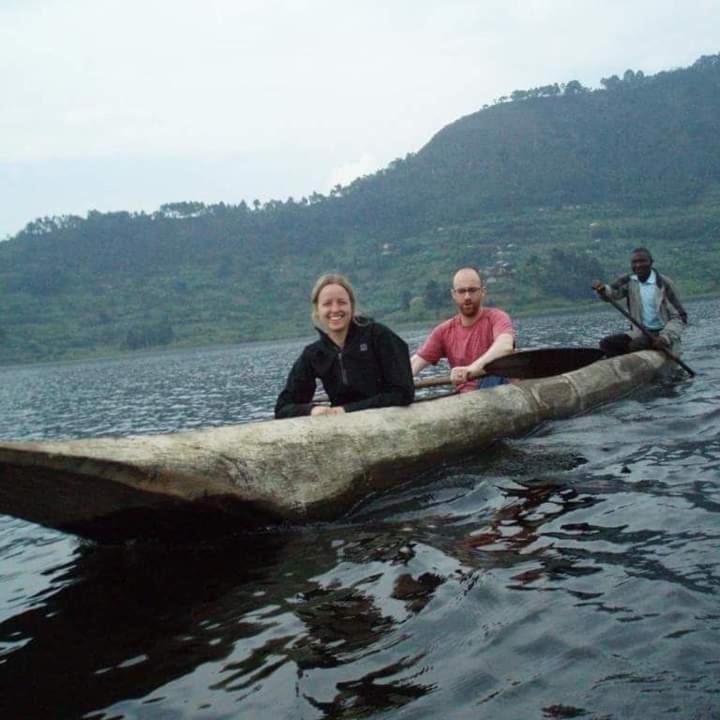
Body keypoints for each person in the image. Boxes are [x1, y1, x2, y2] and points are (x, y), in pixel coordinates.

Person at [275, 273, 415, 418]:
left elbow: (404, 393)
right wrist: (311, 410)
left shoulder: (378, 336)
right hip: (343, 426)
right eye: (327, 304)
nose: (335, 309)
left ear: (352, 306)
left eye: (341, 302)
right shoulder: (314, 354)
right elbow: (283, 407)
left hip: (388, 421)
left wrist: (348, 409)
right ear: (317, 310)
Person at [410, 267, 515, 392]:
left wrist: (471, 369)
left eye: (472, 290)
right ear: (454, 294)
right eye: (461, 291)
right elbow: (416, 362)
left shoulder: (497, 318)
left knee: (497, 366)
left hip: (498, 389)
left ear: (482, 291)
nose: (467, 297)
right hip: (466, 398)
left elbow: (505, 346)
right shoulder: (443, 332)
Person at [592, 247, 687, 357]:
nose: (638, 265)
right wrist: (602, 289)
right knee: (607, 343)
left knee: (636, 345)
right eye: (634, 262)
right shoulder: (629, 280)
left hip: (661, 333)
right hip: (640, 332)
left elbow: (680, 317)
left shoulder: (664, 284)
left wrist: (665, 337)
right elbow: (612, 293)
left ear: (651, 262)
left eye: (642, 261)